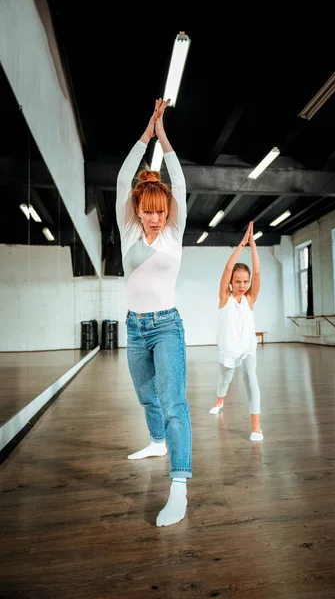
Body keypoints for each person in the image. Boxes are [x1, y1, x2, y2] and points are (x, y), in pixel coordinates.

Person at [115, 98, 192, 527]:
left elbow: (177, 180)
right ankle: (157, 442)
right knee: (146, 396)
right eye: (148, 212)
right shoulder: (129, 229)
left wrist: (163, 137)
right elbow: (126, 176)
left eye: (161, 212)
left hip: (166, 325)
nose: (155, 219)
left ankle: (178, 485)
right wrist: (145, 133)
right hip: (135, 327)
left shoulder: (174, 230)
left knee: (173, 402)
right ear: (137, 210)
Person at [209, 221, 263, 442]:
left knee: (251, 378)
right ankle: (219, 400)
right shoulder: (225, 298)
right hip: (229, 348)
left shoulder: (250, 299)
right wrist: (241, 244)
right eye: (238, 281)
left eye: (245, 281)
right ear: (231, 283)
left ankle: (256, 427)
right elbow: (227, 269)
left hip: (248, 346)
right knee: (225, 379)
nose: (242, 285)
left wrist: (254, 246)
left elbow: (257, 271)